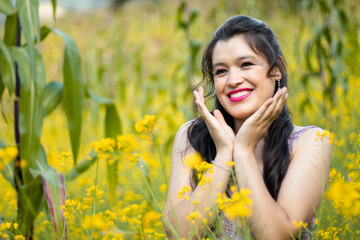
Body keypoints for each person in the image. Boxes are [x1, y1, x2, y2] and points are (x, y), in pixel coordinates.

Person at [163, 15, 332, 240]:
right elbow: (180, 235)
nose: (233, 80)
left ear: (277, 69)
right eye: (221, 71)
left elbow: (278, 236)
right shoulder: (191, 137)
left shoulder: (311, 142)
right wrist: (224, 155)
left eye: (246, 64)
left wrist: (242, 151)